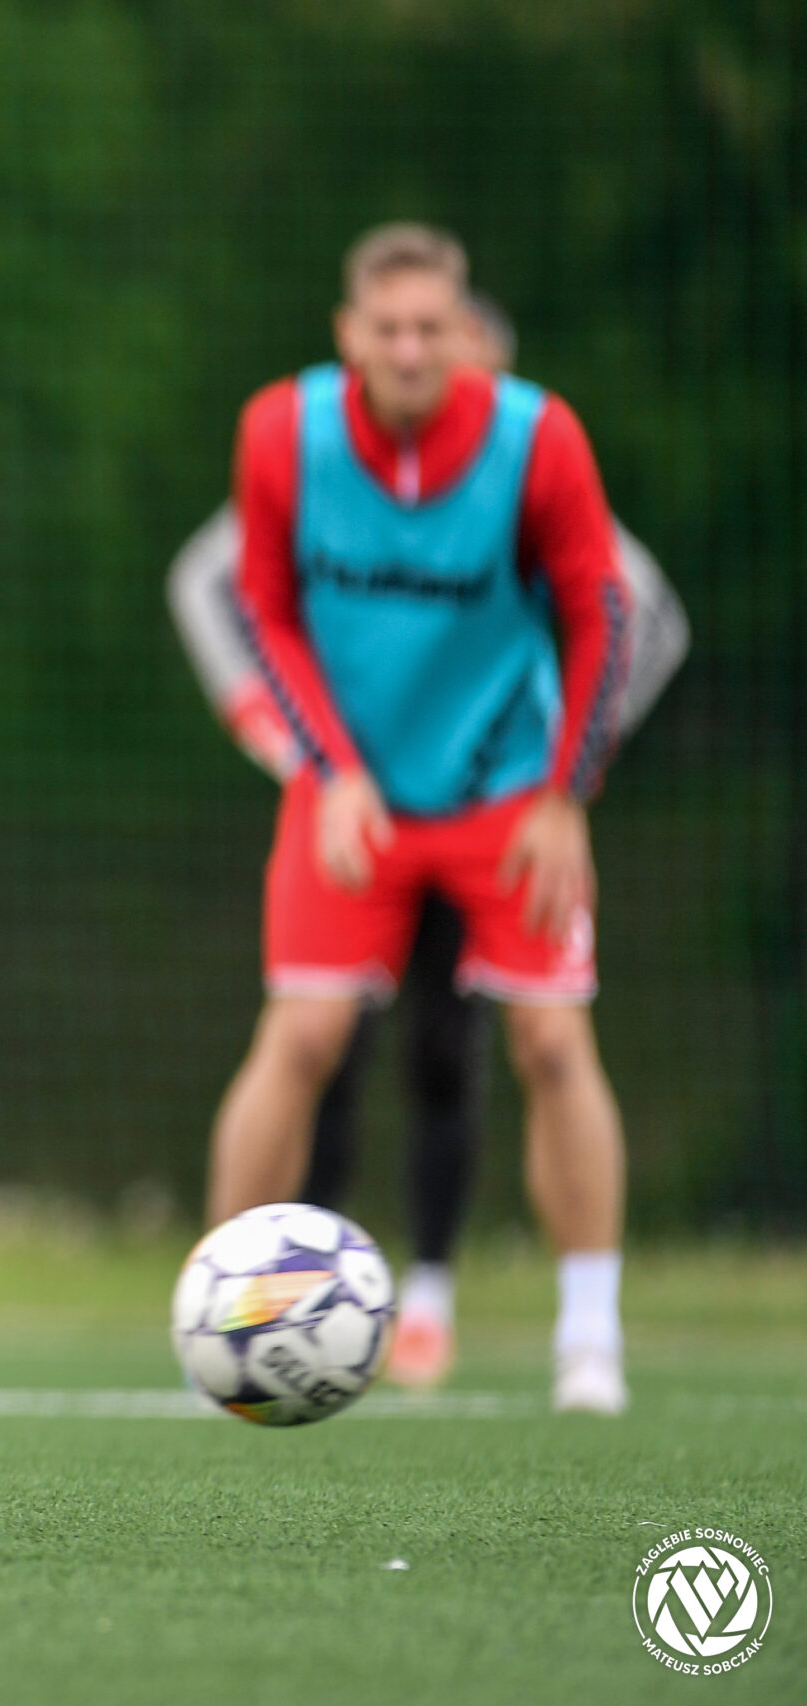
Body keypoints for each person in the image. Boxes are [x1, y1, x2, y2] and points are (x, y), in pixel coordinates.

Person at [168, 292, 687, 1388]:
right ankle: (238, 1311)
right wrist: (286, 741)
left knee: (502, 1047)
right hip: (356, 802)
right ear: (356, 341)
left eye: (447, 350)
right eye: (396, 340)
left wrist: (568, 778)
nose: (425, 370)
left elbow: (630, 611)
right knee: (316, 1041)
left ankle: (527, 1320)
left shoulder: (533, 464)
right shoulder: (312, 457)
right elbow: (228, 592)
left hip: (500, 809)